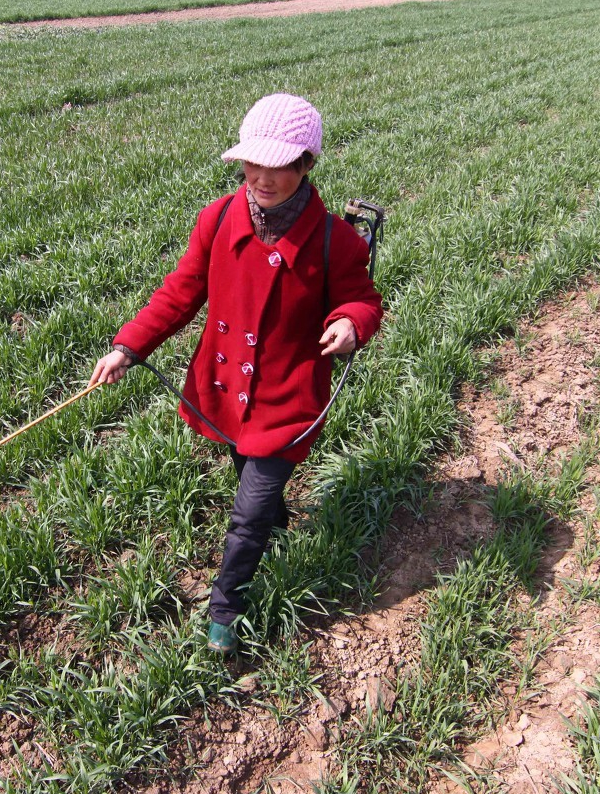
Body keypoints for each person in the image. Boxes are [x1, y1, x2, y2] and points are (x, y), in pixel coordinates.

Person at [89, 93, 384, 654]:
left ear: (305, 164)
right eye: (252, 163)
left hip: (286, 397)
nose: (261, 178)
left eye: (277, 166)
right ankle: (274, 521)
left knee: (246, 513)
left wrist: (350, 322)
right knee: (246, 470)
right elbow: (180, 293)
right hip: (225, 391)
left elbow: (363, 300)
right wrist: (129, 346)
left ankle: (225, 611)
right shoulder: (219, 218)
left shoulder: (334, 240)